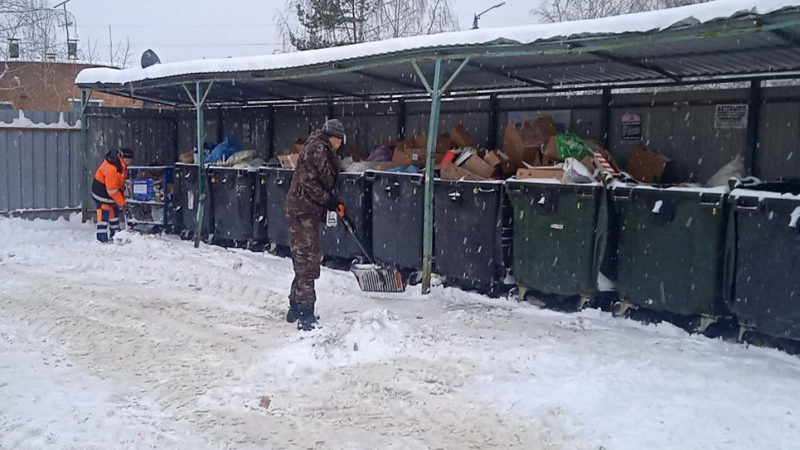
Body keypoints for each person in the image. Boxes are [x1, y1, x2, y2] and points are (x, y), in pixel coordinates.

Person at [284, 119, 347, 331]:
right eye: (340, 139)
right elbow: (309, 182)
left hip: (307, 211)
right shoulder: (317, 149)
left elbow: (327, 181)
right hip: (302, 211)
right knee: (307, 262)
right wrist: (328, 200)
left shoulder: (323, 149)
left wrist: (337, 202)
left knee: (304, 259)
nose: (341, 144)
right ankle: (305, 314)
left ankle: (295, 306)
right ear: (334, 137)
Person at [91, 148, 133, 242]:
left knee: (113, 212)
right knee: (104, 213)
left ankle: (115, 234)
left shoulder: (120, 165)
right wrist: (122, 203)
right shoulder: (112, 168)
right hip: (101, 194)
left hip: (109, 193)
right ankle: (102, 237)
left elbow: (119, 182)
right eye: (129, 160)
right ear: (124, 158)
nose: (130, 162)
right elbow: (112, 190)